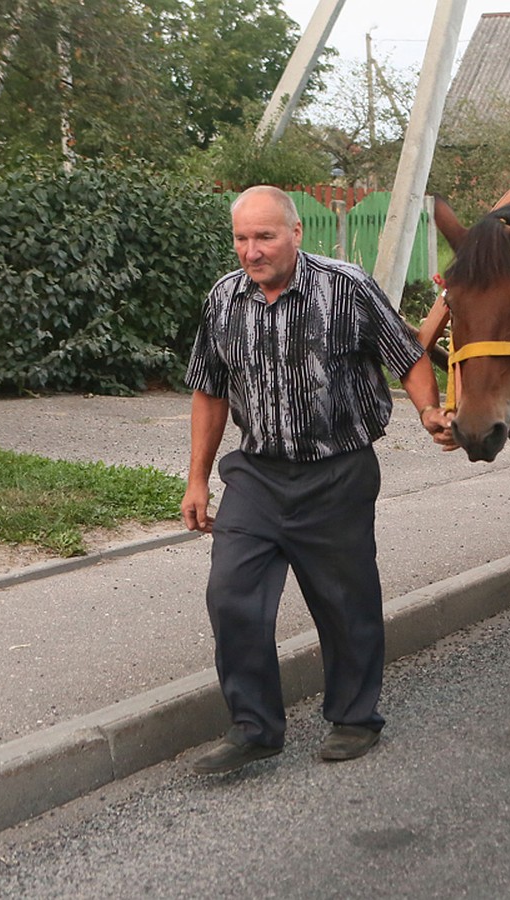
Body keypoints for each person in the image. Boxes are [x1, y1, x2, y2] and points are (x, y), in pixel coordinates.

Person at [181, 185, 455, 775]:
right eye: (241, 238)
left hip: (337, 471)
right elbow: (208, 388)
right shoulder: (223, 300)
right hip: (256, 474)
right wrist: (197, 479)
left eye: (265, 236)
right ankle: (255, 727)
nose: (251, 251)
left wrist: (430, 410)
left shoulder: (345, 287)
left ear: (295, 233)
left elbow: (405, 355)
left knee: (344, 600)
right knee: (232, 594)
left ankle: (354, 719)